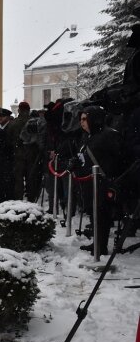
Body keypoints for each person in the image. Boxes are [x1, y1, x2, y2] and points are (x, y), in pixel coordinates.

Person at [70, 106, 123, 255]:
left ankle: (101, 246)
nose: (82, 122)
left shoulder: (109, 135)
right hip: (90, 182)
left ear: (95, 118)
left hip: (102, 182)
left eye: (85, 119)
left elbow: (117, 159)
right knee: (94, 213)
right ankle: (97, 243)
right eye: (81, 119)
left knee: (101, 214)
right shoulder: (88, 136)